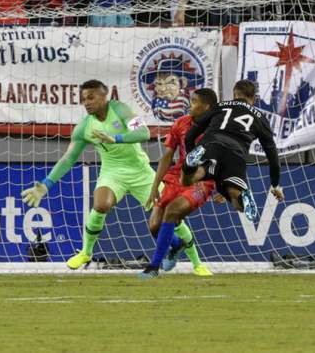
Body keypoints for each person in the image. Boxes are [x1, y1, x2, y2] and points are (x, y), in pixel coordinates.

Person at [20, 80, 199, 271]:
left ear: (104, 97)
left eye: (91, 97)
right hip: (112, 173)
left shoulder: (121, 110)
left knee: (170, 213)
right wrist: (46, 184)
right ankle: (85, 253)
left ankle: (196, 263)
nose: (86, 102)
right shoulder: (84, 128)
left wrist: (116, 138)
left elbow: (144, 133)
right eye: (83, 99)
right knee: (101, 204)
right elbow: (68, 158)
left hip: (141, 172)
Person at [179, 80, 284, 222]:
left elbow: (191, 135)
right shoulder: (260, 118)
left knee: (188, 179)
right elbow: (272, 155)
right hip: (236, 154)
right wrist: (275, 184)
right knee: (235, 197)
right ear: (254, 98)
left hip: (212, 144)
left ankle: (193, 164)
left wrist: (192, 150)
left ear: (234, 94)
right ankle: (241, 195)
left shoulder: (220, 106)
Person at [143, 88, 220, 278]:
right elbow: (167, 157)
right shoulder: (181, 123)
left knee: (172, 212)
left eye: (194, 101)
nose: (189, 104)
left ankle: (153, 267)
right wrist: (155, 187)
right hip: (177, 177)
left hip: (202, 182)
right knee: (154, 226)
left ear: (206, 106)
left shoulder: (218, 129)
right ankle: (177, 245)